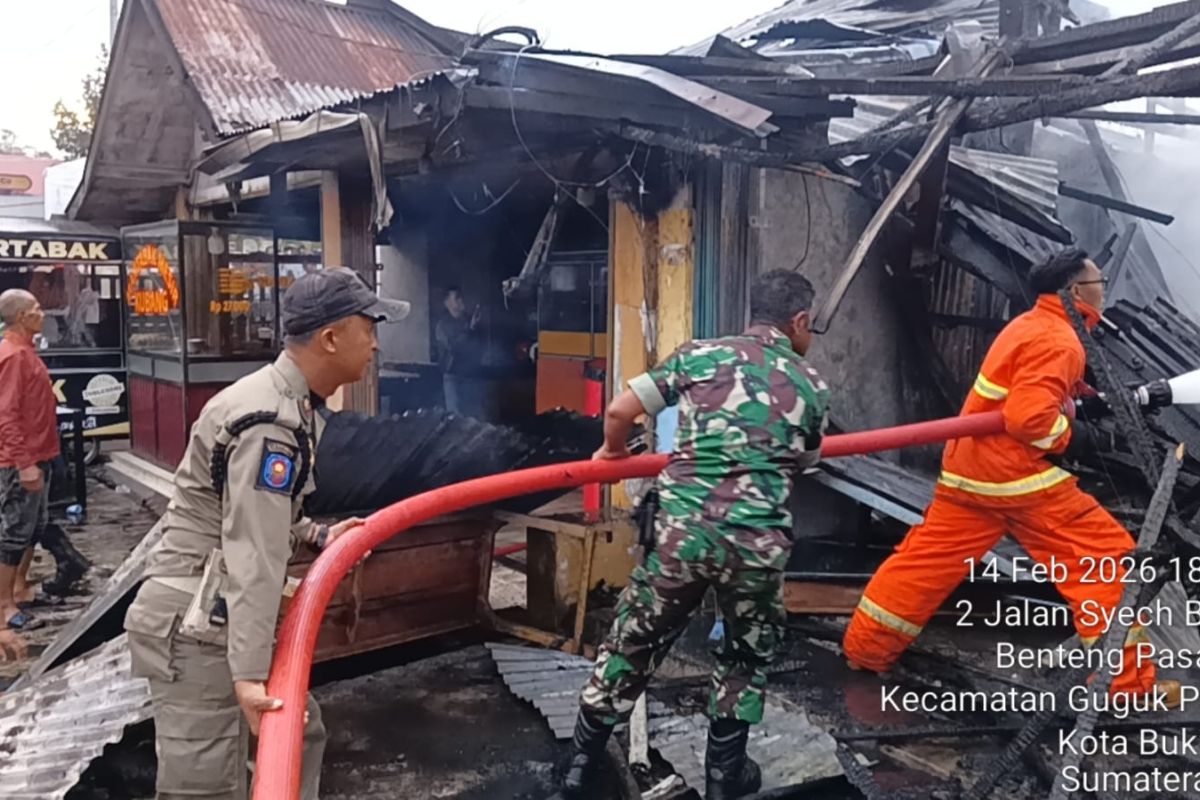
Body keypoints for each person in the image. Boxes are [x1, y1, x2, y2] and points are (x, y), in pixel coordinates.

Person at [123, 267, 410, 799]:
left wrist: (317, 535)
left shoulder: (290, 404)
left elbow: (259, 512)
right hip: (199, 622)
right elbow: (253, 550)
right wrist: (250, 674)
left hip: (218, 611)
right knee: (207, 787)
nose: (375, 344)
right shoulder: (269, 423)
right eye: (369, 328)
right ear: (330, 338)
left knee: (299, 737)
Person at [842, 249, 1177, 702]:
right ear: (1076, 291)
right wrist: (1079, 439)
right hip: (1015, 477)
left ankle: (865, 651)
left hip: (969, 470)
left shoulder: (1029, 325)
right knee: (1104, 560)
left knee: (924, 564)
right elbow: (1029, 420)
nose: (1104, 291)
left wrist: (1085, 399)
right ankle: (1125, 687)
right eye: (1099, 283)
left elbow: (1031, 393)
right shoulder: (1060, 341)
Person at [555, 270, 830, 800]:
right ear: (798, 321)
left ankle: (578, 771)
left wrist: (612, 452)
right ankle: (725, 777)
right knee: (744, 656)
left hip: (682, 538)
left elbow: (619, 410)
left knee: (633, 642)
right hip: (755, 548)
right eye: (810, 325)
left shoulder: (698, 355)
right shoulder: (810, 383)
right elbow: (806, 461)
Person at [0, 288, 58, 633]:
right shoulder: (13, 356)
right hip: (20, 461)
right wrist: (24, 464)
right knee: (14, 533)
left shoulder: (25, 351)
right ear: (22, 316)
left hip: (41, 454)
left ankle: (19, 589)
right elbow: (5, 416)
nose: (43, 313)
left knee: (34, 527)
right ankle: (3, 607)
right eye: (37, 308)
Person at [435, 286, 485, 418]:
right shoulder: (443, 325)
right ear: (447, 303)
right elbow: (453, 347)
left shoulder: (470, 321)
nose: (461, 300)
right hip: (453, 377)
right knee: (456, 418)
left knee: (475, 416)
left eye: (461, 297)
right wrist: (470, 329)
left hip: (472, 376)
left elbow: (480, 346)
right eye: (457, 298)